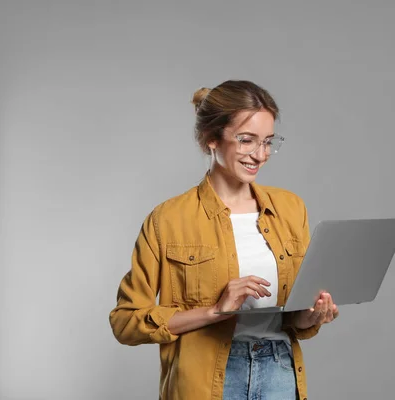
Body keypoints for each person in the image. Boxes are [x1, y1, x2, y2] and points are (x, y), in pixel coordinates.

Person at [109, 79, 339, 400]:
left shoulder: (290, 208)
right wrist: (215, 311)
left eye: (268, 141)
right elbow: (126, 322)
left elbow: (291, 318)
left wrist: (310, 316)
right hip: (205, 381)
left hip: (279, 371)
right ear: (211, 139)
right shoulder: (168, 219)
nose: (261, 155)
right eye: (247, 141)